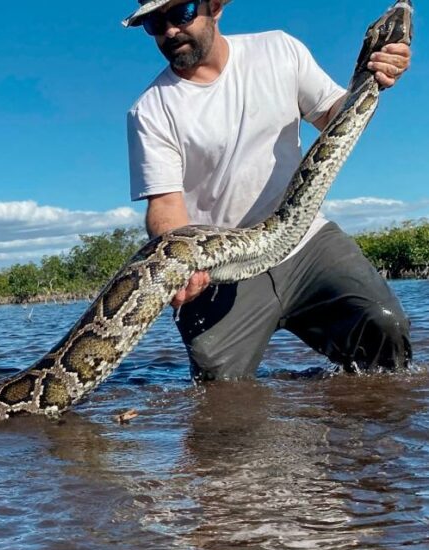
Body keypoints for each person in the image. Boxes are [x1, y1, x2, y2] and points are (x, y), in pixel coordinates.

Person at [123, 0, 413, 380]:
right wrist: (182, 264)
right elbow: (164, 206)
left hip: (306, 242)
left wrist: (373, 77)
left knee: (384, 329)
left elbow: (332, 117)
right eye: (154, 24)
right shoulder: (149, 110)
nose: (170, 30)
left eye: (181, 14)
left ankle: (368, 433)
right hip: (220, 267)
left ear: (215, 7)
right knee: (219, 390)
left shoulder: (278, 49)